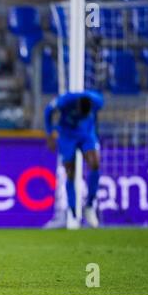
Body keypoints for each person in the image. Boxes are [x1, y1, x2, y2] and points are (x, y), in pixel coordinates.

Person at [44, 90, 104, 229]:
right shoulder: (65, 101)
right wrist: (50, 133)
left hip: (86, 134)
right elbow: (48, 111)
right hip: (67, 136)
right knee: (70, 172)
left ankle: (89, 206)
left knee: (95, 163)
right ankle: (73, 212)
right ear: (76, 106)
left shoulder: (97, 101)